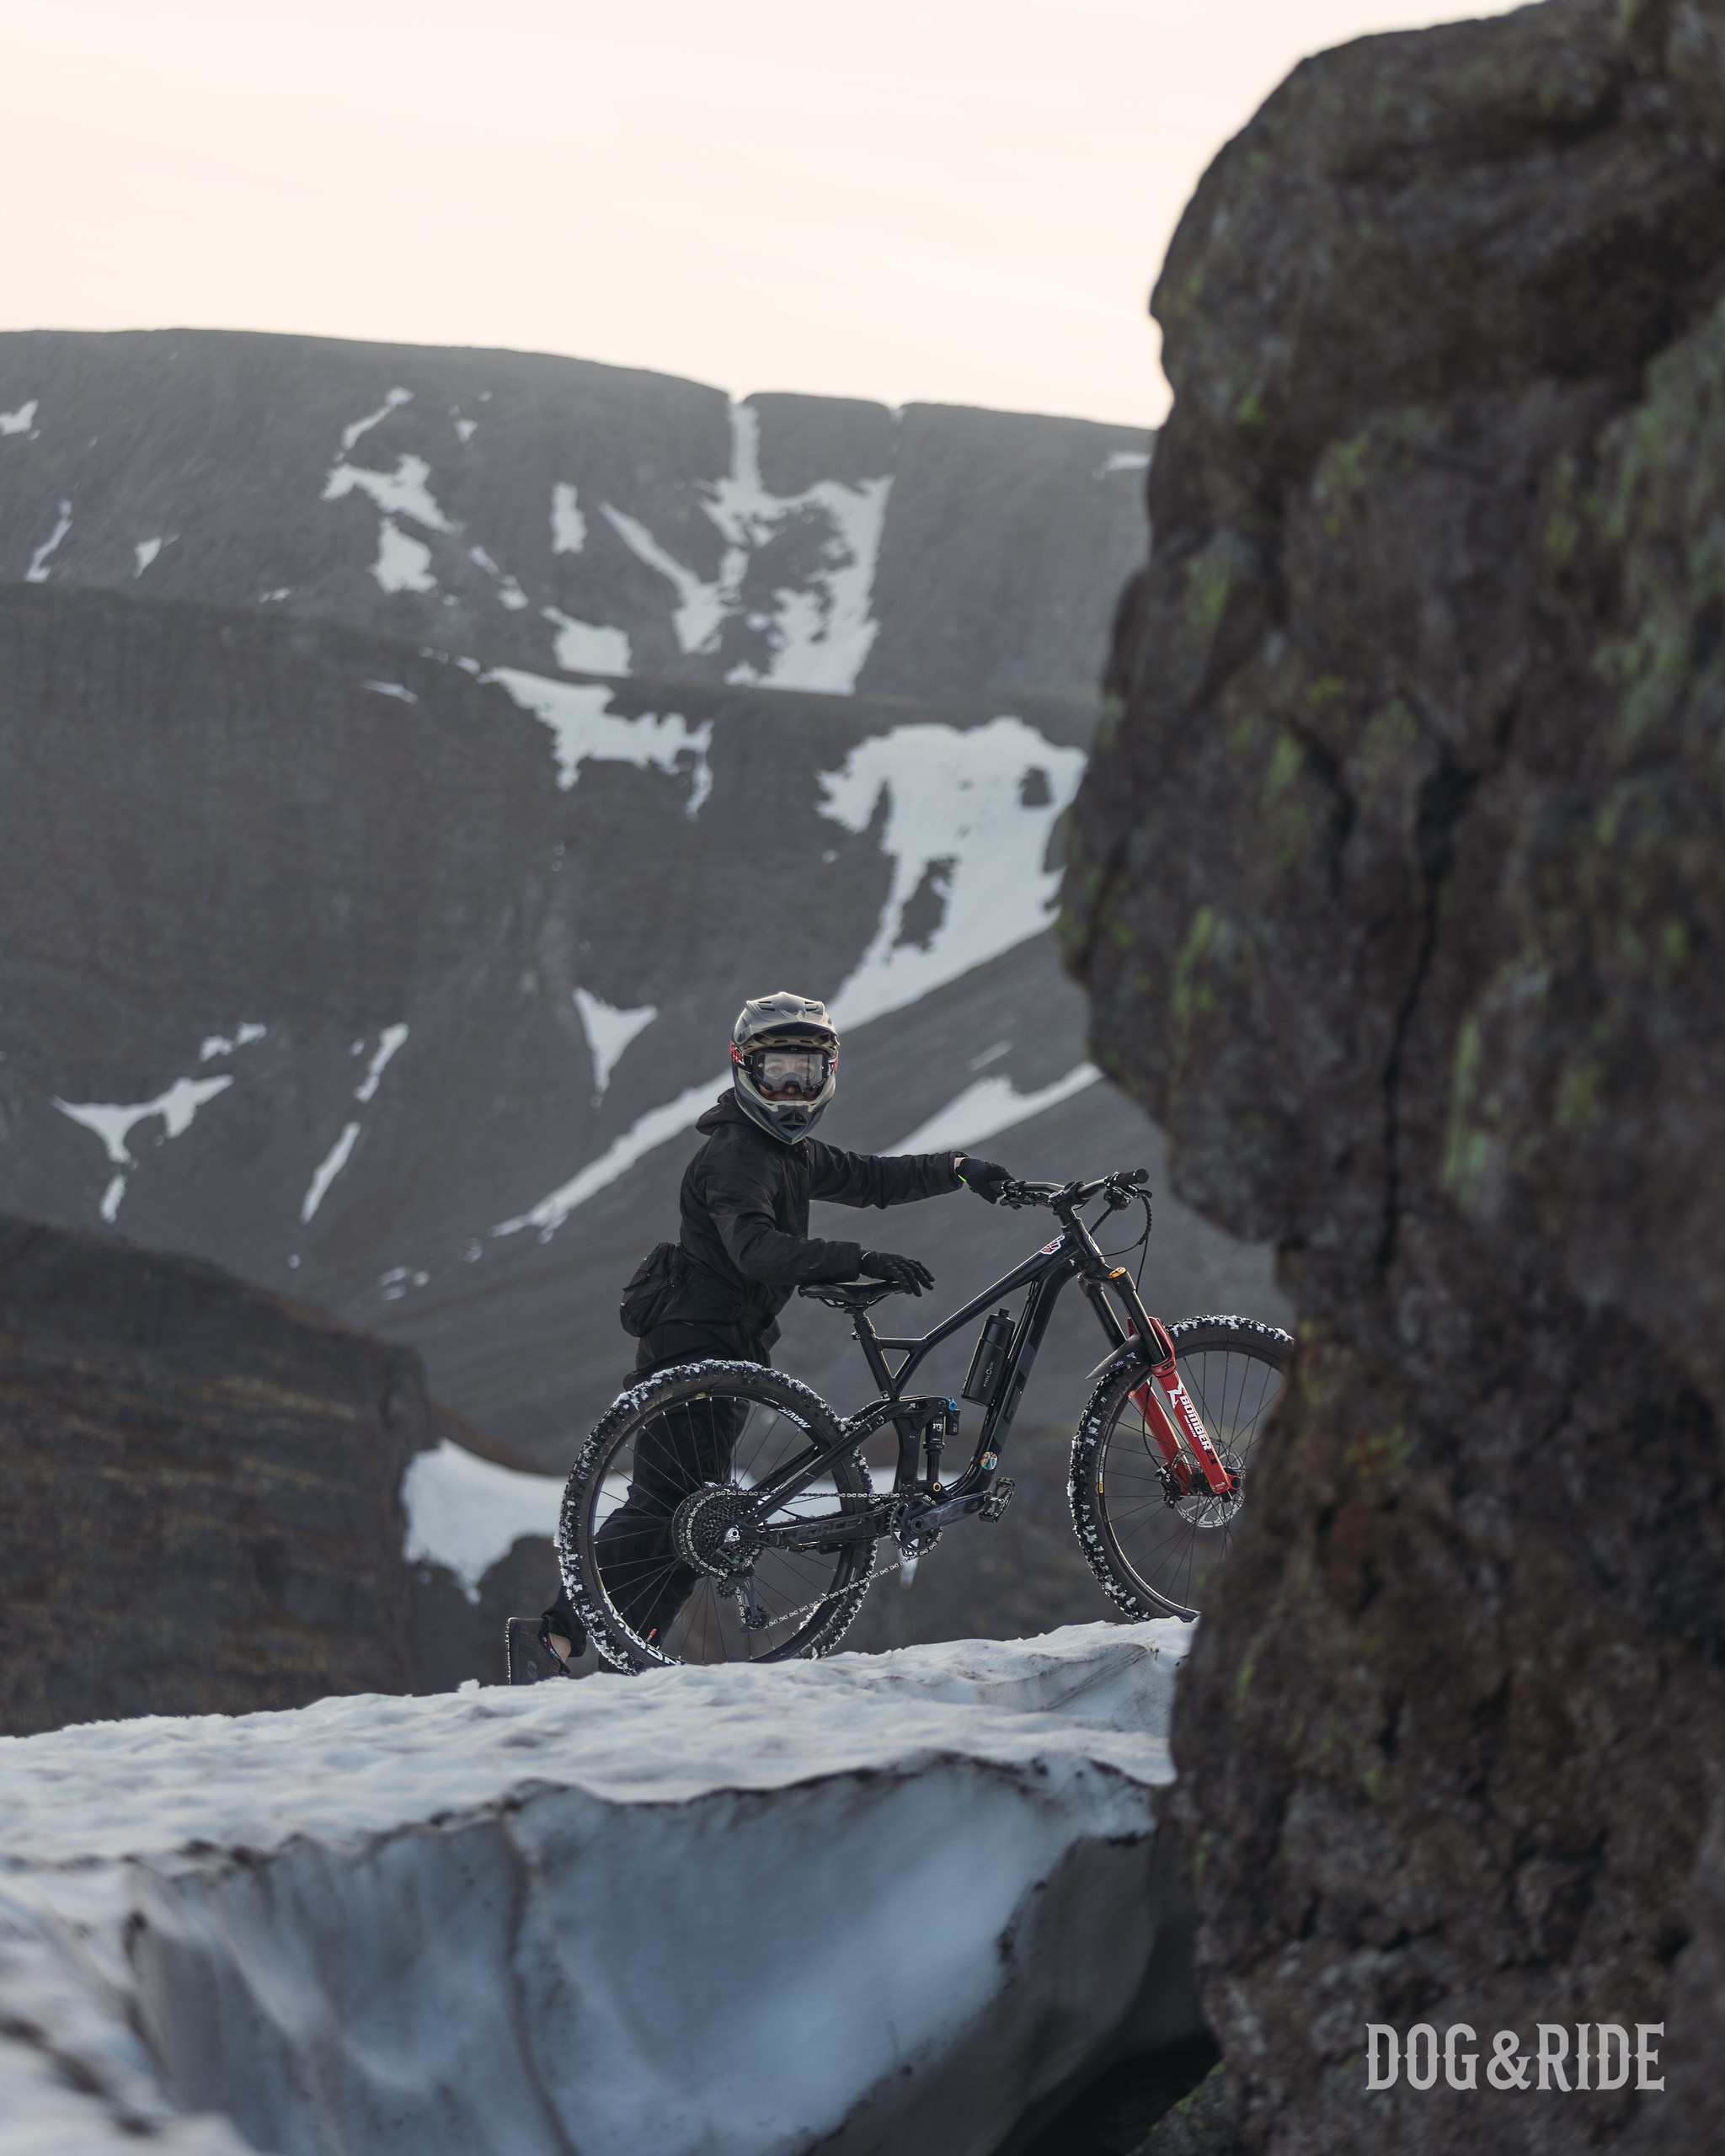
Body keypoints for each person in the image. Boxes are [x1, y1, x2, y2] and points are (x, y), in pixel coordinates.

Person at [525, 990, 1013, 1674]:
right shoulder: (736, 1157)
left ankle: (628, 1663)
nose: (792, 1089)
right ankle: (554, 1636)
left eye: (806, 1074)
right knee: (664, 1509)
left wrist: (958, 1169)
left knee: (696, 1524)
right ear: (743, 1069)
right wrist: (858, 1259)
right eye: (778, 1072)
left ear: (828, 1075)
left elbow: (872, 1178)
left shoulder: (791, 1154)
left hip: (727, 1347)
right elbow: (755, 1248)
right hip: (691, 1343)